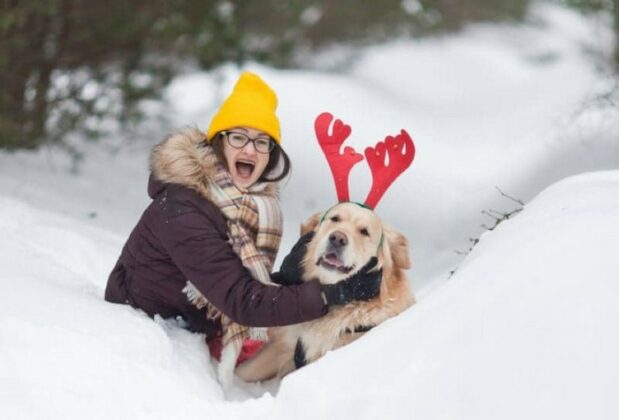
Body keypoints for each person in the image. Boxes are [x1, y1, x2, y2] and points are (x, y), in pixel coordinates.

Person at [104, 72, 381, 360]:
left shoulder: (252, 207)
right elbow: (243, 300)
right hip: (140, 333)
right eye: (238, 137)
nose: (250, 149)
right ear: (218, 143)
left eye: (262, 142)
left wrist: (293, 281)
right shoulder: (182, 210)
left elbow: (236, 281)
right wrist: (331, 293)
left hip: (195, 319)